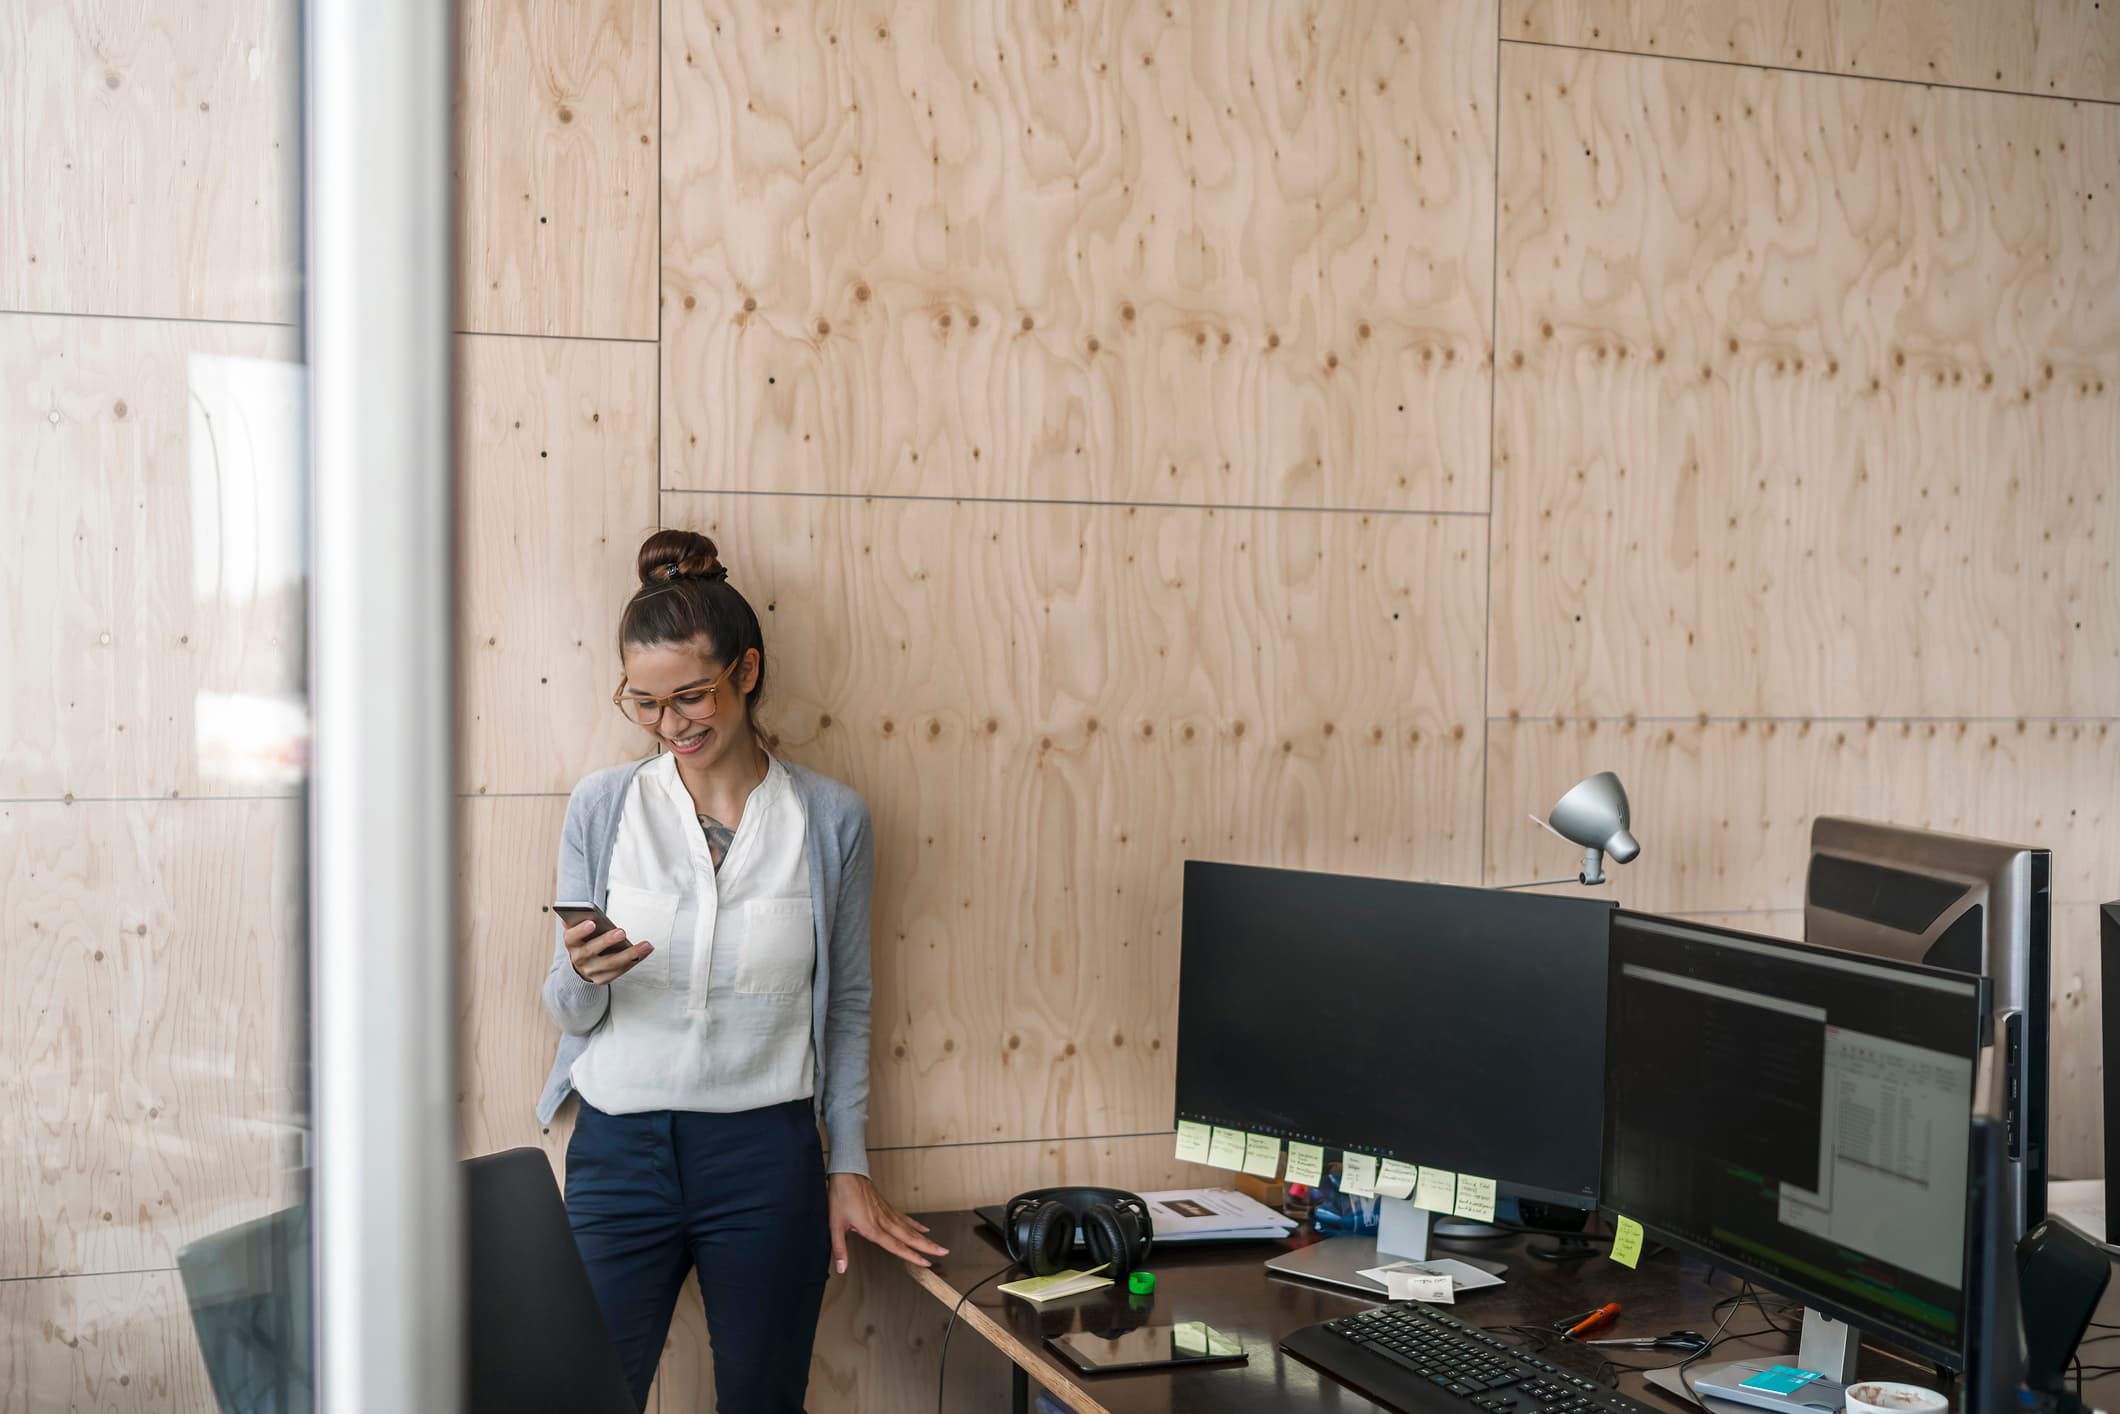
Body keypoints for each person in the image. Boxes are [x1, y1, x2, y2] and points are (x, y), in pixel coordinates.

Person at [534, 528, 946, 1411]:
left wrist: (850, 1166)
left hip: (766, 1159)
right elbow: (567, 1010)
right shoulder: (604, 806)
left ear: (746, 672)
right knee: (582, 1396)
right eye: (642, 703)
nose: (670, 725)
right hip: (619, 1152)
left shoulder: (832, 821)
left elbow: (845, 1009)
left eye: (690, 695)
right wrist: (585, 975)